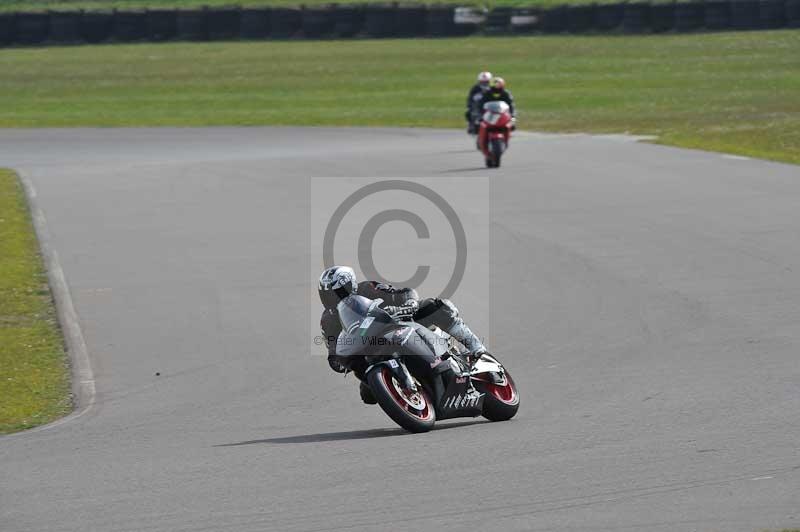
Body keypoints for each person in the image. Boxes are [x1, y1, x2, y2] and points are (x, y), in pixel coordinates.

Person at [318, 266, 486, 404]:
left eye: (338, 292)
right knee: (368, 395)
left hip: (398, 324)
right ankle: (406, 393)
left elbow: (402, 293)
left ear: (351, 285)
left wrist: (408, 303)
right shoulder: (327, 320)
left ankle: (476, 348)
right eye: (328, 295)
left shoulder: (367, 288)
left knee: (437, 306)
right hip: (369, 350)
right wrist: (337, 360)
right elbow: (332, 348)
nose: (333, 298)